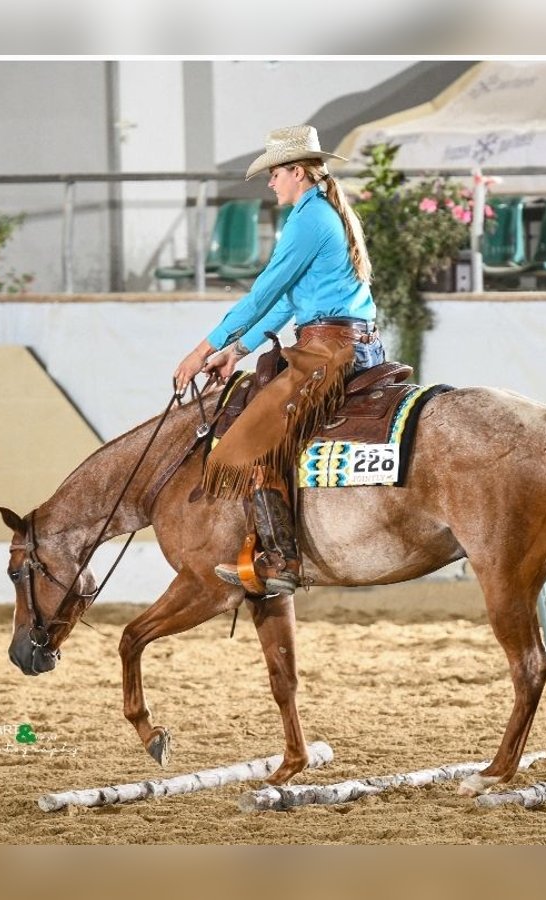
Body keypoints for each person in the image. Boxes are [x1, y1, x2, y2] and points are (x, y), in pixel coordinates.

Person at [173, 124, 385, 596]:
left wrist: (202, 349)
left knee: (253, 438)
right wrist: (238, 350)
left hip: (330, 348)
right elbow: (290, 301)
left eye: (274, 174)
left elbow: (264, 290)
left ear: (296, 172)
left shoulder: (308, 221)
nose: (270, 184)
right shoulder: (323, 213)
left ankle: (282, 558)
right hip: (343, 340)